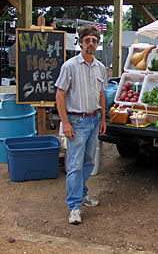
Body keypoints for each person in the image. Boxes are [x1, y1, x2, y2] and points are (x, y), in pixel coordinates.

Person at [55, 24, 107, 225]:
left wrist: (103, 119)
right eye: (87, 40)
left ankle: (82, 193)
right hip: (76, 121)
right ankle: (74, 206)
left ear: (97, 43)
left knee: (88, 162)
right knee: (75, 165)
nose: (91, 43)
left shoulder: (100, 67)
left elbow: (102, 94)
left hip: (94, 119)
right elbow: (60, 94)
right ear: (81, 42)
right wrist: (65, 122)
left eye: (94, 40)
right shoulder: (70, 66)